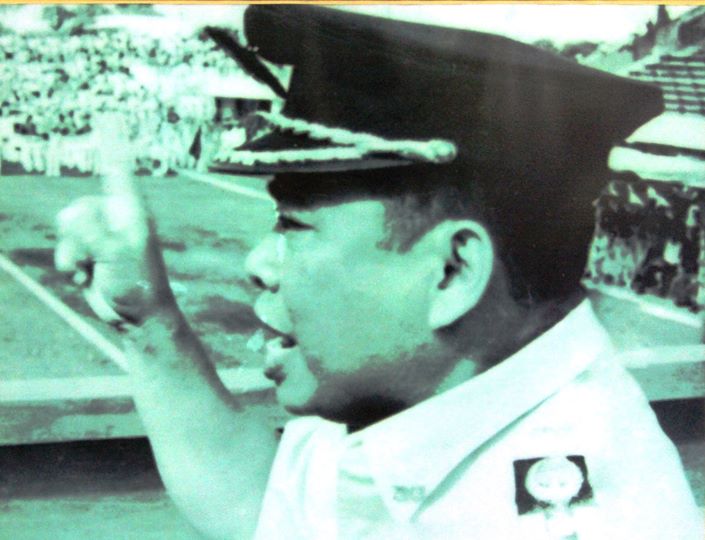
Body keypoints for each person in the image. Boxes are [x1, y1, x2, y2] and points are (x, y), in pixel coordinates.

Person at [54, 6, 702, 540]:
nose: (258, 264)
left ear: (451, 271)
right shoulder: (430, 394)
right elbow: (267, 509)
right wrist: (150, 324)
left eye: (293, 225)